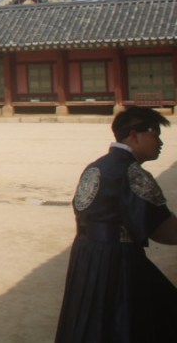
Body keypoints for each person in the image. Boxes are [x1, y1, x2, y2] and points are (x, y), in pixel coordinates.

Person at [55, 106, 177, 342]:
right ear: (134, 136)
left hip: (86, 255)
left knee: (88, 321)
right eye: (155, 133)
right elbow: (165, 231)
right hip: (117, 260)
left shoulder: (95, 166)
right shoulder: (132, 173)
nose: (160, 142)